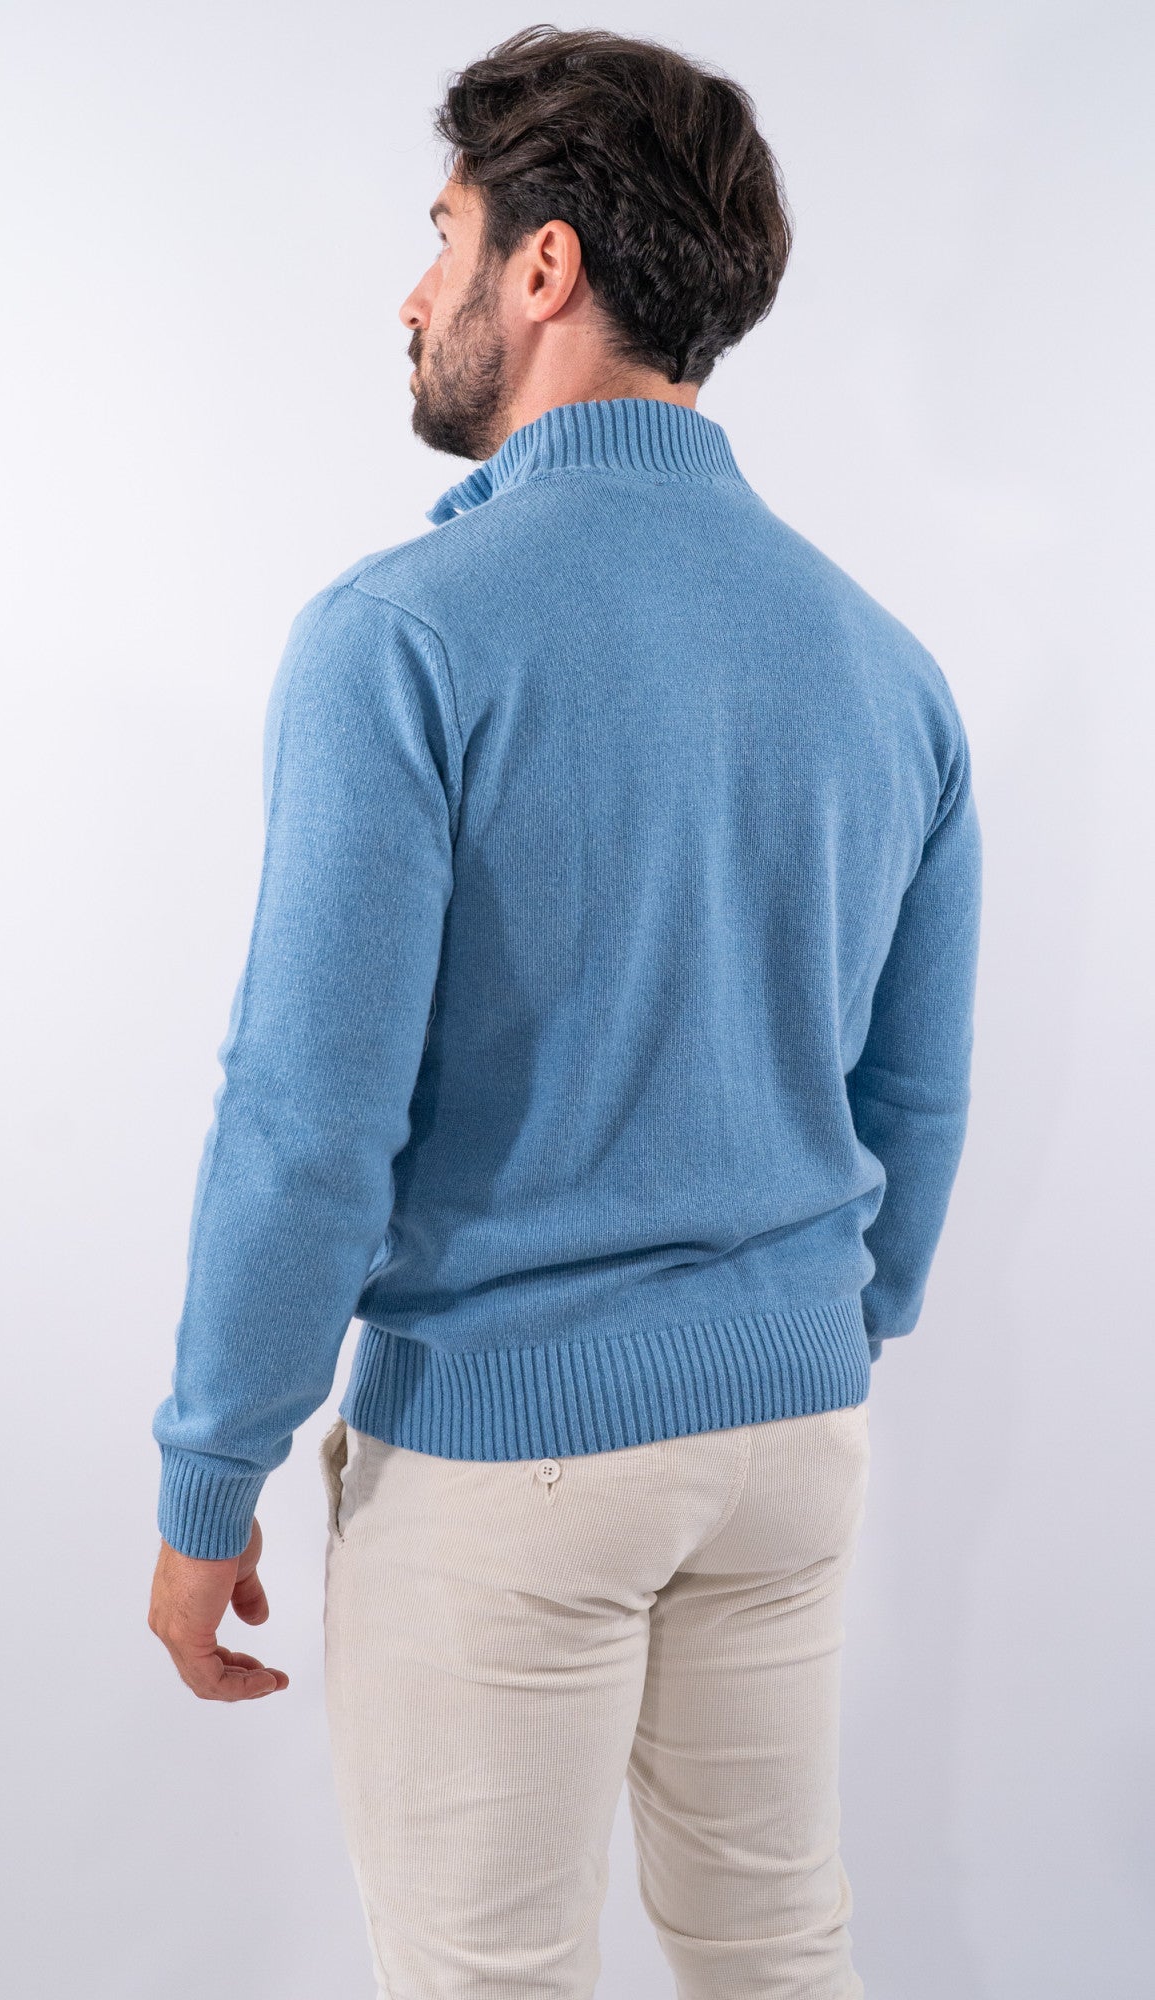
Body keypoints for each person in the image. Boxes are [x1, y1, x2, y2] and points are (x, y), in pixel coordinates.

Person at [146, 24, 982, 1998]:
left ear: (543, 267)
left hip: (508, 1443)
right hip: (790, 1433)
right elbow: (918, 1096)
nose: (410, 293)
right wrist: (804, 1324)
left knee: (486, 1979)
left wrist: (210, 1473)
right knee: (775, 1950)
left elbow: (309, 1121)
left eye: (441, 236)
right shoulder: (884, 665)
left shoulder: (401, 640)